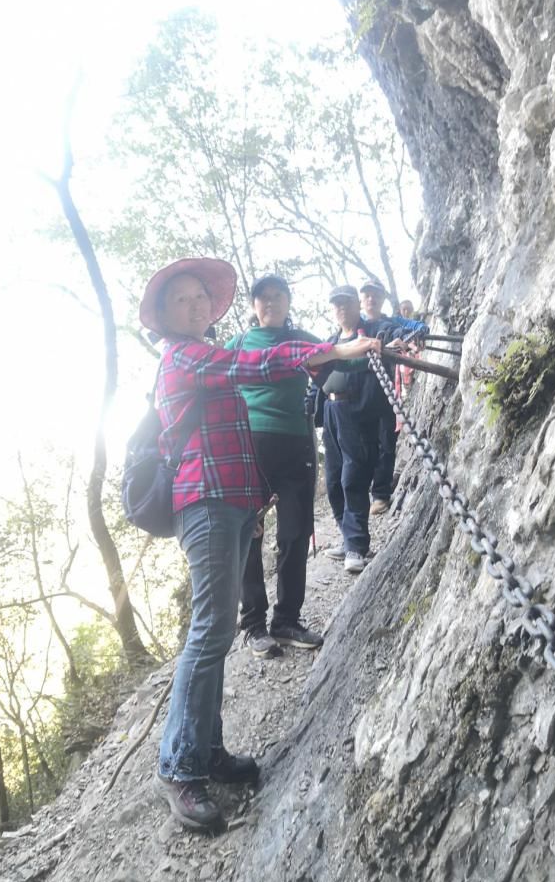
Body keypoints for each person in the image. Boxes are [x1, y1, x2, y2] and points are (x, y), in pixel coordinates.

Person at [140, 257, 380, 831]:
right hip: (205, 503)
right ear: (167, 317)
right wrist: (332, 351)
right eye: (183, 300)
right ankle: (178, 767)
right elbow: (254, 363)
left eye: (201, 296)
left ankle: (206, 750)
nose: (196, 305)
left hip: (227, 501)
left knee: (216, 631)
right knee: (210, 631)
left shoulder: (196, 354)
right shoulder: (187, 356)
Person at [225, 274, 323, 659]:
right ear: (254, 306)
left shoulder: (303, 340)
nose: (270, 303)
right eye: (263, 298)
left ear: (287, 301)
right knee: (250, 533)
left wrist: (375, 349)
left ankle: (287, 620)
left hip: (296, 442)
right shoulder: (241, 344)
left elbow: (342, 360)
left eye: (277, 296)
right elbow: (217, 382)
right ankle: (253, 625)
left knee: (295, 533)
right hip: (250, 445)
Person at [315, 284, 409, 574]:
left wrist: (397, 342)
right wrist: (312, 409)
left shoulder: (373, 330)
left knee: (352, 476)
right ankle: (347, 538)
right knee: (333, 479)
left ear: (357, 305)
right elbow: (315, 376)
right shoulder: (330, 341)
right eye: (336, 304)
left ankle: (356, 544)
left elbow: (393, 335)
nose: (341, 308)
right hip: (331, 411)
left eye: (346, 303)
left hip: (358, 410)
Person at [359, 279, 428, 515]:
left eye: (375, 295)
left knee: (386, 442)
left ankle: (380, 494)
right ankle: (367, 489)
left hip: (384, 390)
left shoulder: (390, 323)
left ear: (382, 299)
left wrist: (417, 333)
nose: (371, 299)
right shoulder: (353, 325)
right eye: (367, 295)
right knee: (363, 446)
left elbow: (412, 326)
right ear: (361, 299)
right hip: (358, 395)